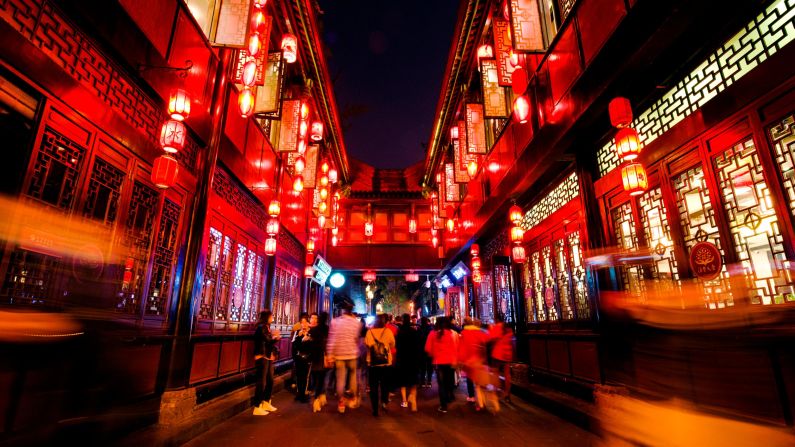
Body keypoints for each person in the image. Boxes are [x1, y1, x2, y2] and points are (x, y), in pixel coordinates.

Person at [326, 300, 362, 413]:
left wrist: (330, 354)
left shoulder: (335, 322)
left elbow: (332, 339)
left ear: (343, 310)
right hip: (352, 354)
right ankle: (352, 396)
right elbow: (356, 339)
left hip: (339, 355)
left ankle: (341, 402)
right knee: (352, 376)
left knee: (340, 379)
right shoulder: (357, 323)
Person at [424, 316, 459, 413]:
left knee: (441, 384)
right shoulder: (451, 333)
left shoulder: (432, 334)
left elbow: (427, 348)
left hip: (438, 362)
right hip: (450, 361)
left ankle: (443, 406)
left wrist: (434, 354)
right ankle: (449, 396)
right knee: (449, 381)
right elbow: (455, 348)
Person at [364, 313, 395, 416]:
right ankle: (384, 402)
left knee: (373, 387)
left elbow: (367, 345)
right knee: (385, 384)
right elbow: (392, 344)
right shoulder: (388, 331)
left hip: (372, 364)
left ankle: (375, 409)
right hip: (386, 363)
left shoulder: (369, 332)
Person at [459, 317, 491, 411]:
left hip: (469, 361)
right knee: (479, 383)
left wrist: (461, 359)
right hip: (479, 360)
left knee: (470, 380)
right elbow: (485, 346)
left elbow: (462, 347)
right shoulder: (481, 333)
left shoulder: (464, 333)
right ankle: (482, 402)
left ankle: (473, 397)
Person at [253, 310, 280, 415]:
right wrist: (276, 338)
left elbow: (268, 341)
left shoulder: (266, 327)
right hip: (262, 357)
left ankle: (266, 402)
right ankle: (257, 406)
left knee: (270, 380)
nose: (272, 317)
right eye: (271, 316)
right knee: (262, 382)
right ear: (267, 317)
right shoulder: (262, 327)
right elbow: (268, 341)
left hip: (267, 357)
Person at [395, 313, 422, 411]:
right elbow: (418, 346)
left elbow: (396, 346)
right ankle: (413, 398)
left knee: (403, 381)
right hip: (413, 358)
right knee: (413, 380)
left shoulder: (399, 332)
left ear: (402, 320)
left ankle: (404, 401)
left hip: (402, 358)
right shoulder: (414, 331)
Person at [489, 315, 515, 403]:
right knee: (507, 375)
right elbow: (512, 342)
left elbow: (491, 338)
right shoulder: (509, 329)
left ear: (497, 320)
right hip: (507, 354)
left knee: (495, 374)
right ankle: (507, 394)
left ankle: (496, 392)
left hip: (497, 354)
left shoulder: (496, 327)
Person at [308, 312, 330, 412]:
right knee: (322, 378)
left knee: (315, 377)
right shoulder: (327, 329)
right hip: (324, 357)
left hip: (314, 357)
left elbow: (308, 341)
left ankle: (317, 397)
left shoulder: (313, 330)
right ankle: (319, 396)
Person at [292, 315, 312, 403]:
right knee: (299, 376)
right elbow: (295, 346)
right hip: (299, 357)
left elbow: (311, 347)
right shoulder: (297, 333)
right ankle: (299, 394)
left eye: (305, 322)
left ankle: (304, 394)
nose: (303, 324)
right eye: (301, 323)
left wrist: (307, 337)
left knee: (305, 377)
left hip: (307, 358)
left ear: (308, 323)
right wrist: (299, 337)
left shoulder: (311, 333)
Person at [419, 317, 434, 387]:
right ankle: (429, 381)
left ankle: (422, 381)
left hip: (421, 350)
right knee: (429, 366)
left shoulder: (419, 329)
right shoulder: (430, 329)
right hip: (429, 350)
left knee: (422, 367)